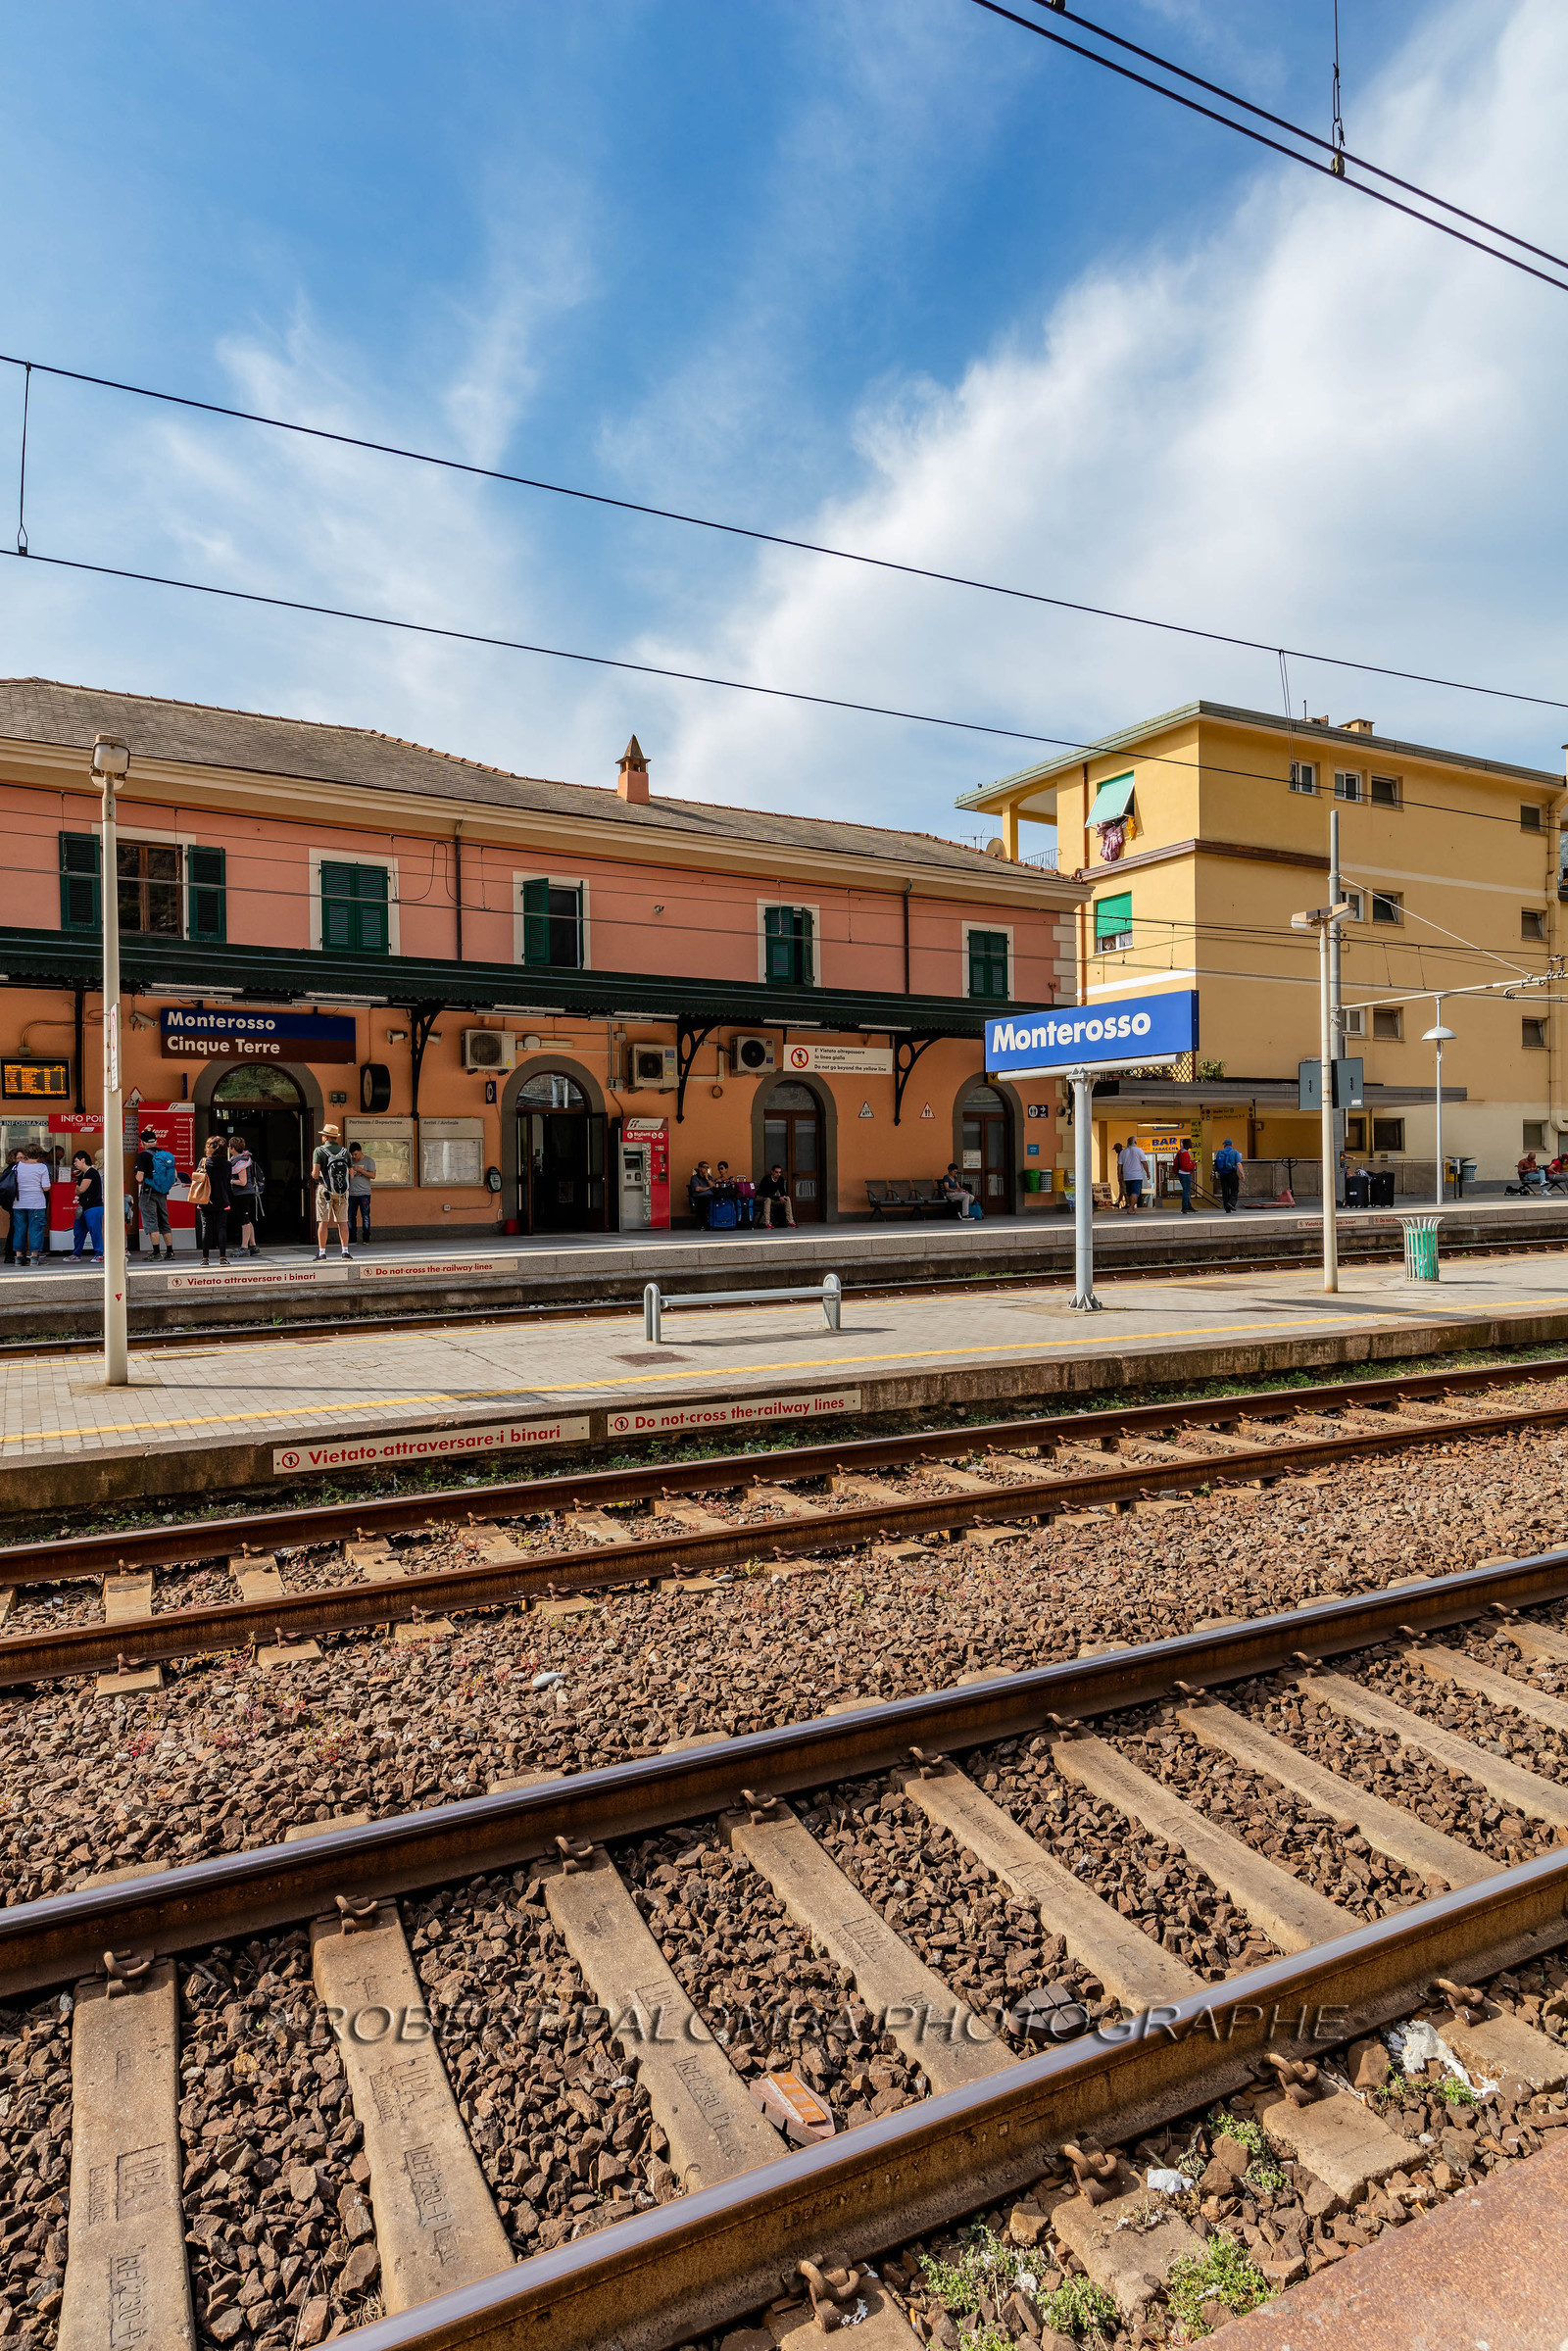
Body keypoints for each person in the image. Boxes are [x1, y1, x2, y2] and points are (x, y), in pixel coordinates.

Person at [133, 1125, 176, 1260]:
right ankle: (170, 1252)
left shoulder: (142, 1156)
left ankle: (156, 1253)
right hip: (162, 1193)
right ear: (156, 1141)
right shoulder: (164, 1154)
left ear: (143, 1143)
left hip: (148, 1193)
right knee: (164, 1221)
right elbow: (174, 1176)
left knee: (152, 1222)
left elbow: (139, 1178)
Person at [312, 1123, 353, 1259]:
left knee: (323, 1222)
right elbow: (351, 1174)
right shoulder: (345, 1152)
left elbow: (315, 1174)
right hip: (342, 1192)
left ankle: (322, 1253)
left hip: (325, 1189)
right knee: (343, 1222)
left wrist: (313, 1175)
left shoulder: (319, 1151)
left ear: (326, 1137)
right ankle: (345, 1252)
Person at [190, 1133, 232, 1265]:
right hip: (222, 1199)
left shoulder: (203, 1162)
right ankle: (223, 1258)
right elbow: (228, 1182)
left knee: (206, 1228)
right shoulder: (227, 1164)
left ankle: (205, 1259)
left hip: (204, 1199)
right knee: (222, 1228)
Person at [11, 1149, 51, 1267]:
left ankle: (18, 1258)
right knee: (36, 1230)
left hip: (18, 1203)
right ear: (39, 1155)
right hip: (36, 1203)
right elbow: (46, 1188)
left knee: (19, 1230)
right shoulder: (41, 1167)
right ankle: (34, 1257)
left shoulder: (17, 1166)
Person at [228, 1138, 264, 1257]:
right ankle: (253, 1245)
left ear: (233, 1148)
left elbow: (242, 1182)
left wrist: (231, 1181)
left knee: (244, 1221)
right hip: (246, 1193)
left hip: (243, 1194)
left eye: (229, 1146)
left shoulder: (241, 1162)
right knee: (247, 1220)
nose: (229, 1148)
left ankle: (244, 1247)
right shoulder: (241, 1159)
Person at [71, 1150, 105, 1261]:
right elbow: (78, 1190)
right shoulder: (83, 1174)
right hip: (84, 1206)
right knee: (78, 1231)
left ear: (83, 1160)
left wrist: (78, 1189)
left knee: (95, 1231)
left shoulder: (91, 1172)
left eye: (76, 1161)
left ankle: (99, 1253)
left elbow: (81, 1189)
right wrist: (78, 1190)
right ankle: (76, 1253)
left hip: (93, 1206)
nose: (75, 1164)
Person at [347, 1141, 375, 1246]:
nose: (354, 1157)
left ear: (360, 1151)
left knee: (365, 1216)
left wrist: (361, 1170)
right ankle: (352, 1238)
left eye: (356, 1154)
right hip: (351, 1193)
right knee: (350, 1216)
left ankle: (366, 1238)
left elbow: (373, 1175)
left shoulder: (369, 1161)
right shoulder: (350, 1161)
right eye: (352, 1155)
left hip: (364, 1193)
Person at [756, 1162, 796, 1229]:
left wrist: (784, 1196)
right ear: (772, 1172)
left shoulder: (780, 1179)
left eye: (780, 1172)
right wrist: (778, 1198)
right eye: (776, 1172)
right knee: (768, 1199)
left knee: (787, 1198)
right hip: (760, 1197)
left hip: (771, 1197)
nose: (778, 1174)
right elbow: (765, 1193)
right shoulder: (766, 1179)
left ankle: (790, 1221)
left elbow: (782, 1190)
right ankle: (767, 1222)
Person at [1118, 1137, 1150, 1212]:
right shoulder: (1139, 1150)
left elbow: (1120, 1165)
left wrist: (1119, 1175)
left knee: (1129, 1193)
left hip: (1127, 1176)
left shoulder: (1123, 1152)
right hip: (1137, 1176)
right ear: (1135, 1142)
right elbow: (1144, 1163)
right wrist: (1147, 1173)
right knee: (1135, 1192)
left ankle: (1131, 1208)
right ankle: (1131, 1207)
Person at [1214, 1136, 1244, 1215]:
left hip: (1222, 1174)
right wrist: (1242, 1173)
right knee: (1234, 1189)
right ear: (1231, 1144)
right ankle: (1231, 1202)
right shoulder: (1234, 1152)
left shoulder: (1220, 1152)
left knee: (1225, 1190)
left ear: (1224, 1144)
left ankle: (1227, 1209)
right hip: (1231, 1173)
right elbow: (1238, 1163)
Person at [687, 1159, 715, 1227]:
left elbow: (713, 1186)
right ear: (699, 1168)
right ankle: (704, 1224)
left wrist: (707, 1179)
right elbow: (697, 1189)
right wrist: (708, 1188)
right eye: (704, 1167)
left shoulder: (709, 1177)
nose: (706, 1169)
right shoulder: (694, 1178)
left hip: (709, 1196)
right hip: (699, 1197)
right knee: (704, 1203)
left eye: (707, 1167)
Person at [1176, 1141, 1196, 1215]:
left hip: (1181, 1173)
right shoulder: (1185, 1154)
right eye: (1190, 1143)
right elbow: (1186, 1166)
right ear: (1187, 1144)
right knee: (1186, 1191)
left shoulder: (1180, 1152)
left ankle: (1189, 1206)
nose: (1191, 1144)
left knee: (1186, 1191)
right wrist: (1193, 1164)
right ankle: (1185, 1207)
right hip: (1185, 1173)